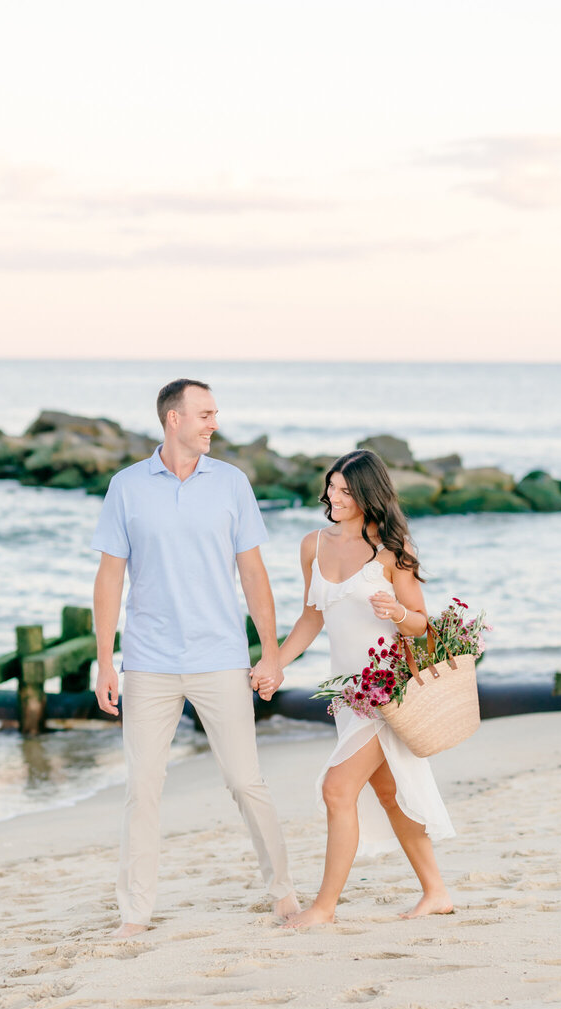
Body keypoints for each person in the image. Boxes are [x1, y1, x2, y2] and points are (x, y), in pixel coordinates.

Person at [91, 378, 298, 937]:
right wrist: (105, 660)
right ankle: (135, 911)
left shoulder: (231, 484)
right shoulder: (127, 486)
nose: (213, 424)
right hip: (149, 661)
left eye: (215, 414)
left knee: (245, 781)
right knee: (143, 787)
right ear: (173, 420)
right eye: (204, 414)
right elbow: (109, 577)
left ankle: (282, 892)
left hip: (220, 656)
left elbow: (253, 574)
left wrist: (271, 653)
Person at [275, 450, 455, 929]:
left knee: (338, 789)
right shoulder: (313, 544)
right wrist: (274, 661)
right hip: (347, 695)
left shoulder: (392, 552)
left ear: (368, 496)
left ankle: (324, 908)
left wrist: (397, 613)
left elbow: (423, 626)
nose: (335, 497)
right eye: (331, 486)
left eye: (346, 491)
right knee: (391, 792)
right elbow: (311, 616)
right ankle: (436, 891)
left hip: (387, 690)